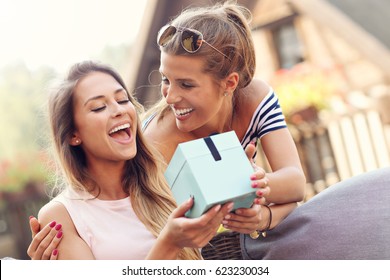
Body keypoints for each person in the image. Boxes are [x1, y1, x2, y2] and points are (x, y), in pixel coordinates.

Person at [26, 60, 239, 260]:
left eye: (122, 100)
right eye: (99, 107)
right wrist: (169, 244)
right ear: (73, 134)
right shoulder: (62, 216)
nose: (119, 110)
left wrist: (246, 189)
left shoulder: (164, 181)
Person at [142, 0, 306, 238]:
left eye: (186, 85)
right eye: (166, 80)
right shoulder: (158, 141)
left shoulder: (255, 99)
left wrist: (261, 211)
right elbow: (164, 234)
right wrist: (251, 190)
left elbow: (296, 185)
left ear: (230, 83)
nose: (170, 97)